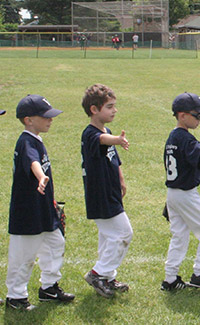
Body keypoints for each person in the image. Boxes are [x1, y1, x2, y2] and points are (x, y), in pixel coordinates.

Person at [5, 95, 73, 311]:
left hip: (43, 209)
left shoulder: (35, 139)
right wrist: (41, 175)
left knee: (55, 244)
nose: (50, 120)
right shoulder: (26, 142)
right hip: (27, 212)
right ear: (28, 120)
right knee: (23, 256)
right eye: (45, 117)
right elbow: (33, 161)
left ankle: (49, 288)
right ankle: (15, 297)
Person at [161, 93, 200, 292]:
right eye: (196, 115)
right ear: (182, 116)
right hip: (185, 194)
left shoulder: (173, 136)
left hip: (173, 193)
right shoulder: (185, 137)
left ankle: (170, 279)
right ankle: (199, 273)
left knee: (179, 236)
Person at [81, 84, 133, 298]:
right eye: (109, 107)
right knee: (123, 233)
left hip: (110, 191)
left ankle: (108, 277)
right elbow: (102, 141)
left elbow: (114, 159)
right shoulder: (90, 134)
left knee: (108, 236)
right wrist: (117, 140)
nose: (114, 110)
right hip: (99, 194)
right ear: (94, 109)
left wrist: (121, 179)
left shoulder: (107, 130)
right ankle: (97, 273)